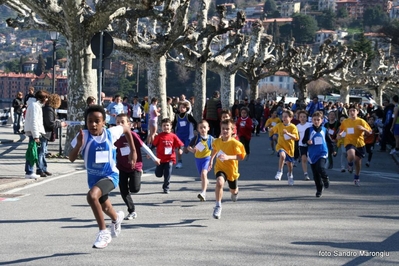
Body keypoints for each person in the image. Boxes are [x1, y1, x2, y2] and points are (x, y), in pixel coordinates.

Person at [68, 105, 137, 249]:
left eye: (97, 121)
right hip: (93, 179)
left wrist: (133, 150)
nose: (93, 124)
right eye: (90, 121)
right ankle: (117, 218)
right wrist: (79, 145)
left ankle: (103, 232)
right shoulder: (83, 136)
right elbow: (71, 158)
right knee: (105, 207)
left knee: (92, 196)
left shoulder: (111, 133)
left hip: (110, 176)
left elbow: (126, 128)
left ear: (104, 122)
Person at [114, 114, 160, 220]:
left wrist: (155, 158)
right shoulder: (115, 136)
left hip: (135, 166)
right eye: (117, 122)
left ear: (129, 125)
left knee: (134, 189)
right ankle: (132, 211)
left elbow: (144, 147)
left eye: (122, 122)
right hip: (121, 166)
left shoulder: (133, 135)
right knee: (123, 190)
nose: (120, 124)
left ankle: (139, 174)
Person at [208, 119, 246, 219]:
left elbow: (241, 157)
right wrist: (211, 159)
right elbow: (215, 149)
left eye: (227, 129)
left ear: (232, 130)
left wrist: (228, 157)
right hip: (220, 168)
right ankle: (218, 205)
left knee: (233, 190)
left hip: (232, 170)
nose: (225, 131)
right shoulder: (217, 141)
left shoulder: (235, 143)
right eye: (223, 129)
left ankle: (235, 192)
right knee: (219, 182)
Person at [337, 105, 372, 186]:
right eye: (350, 111)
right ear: (348, 112)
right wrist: (339, 135)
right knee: (351, 155)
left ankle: (356, 177)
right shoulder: (345, 122)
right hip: (349, 142)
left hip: (360, 143)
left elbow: (370, 132)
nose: (352, 112)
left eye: (354, 110)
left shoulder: (361, 121)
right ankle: (349, 164)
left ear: (357, 112)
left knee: (357, 162)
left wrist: (364, 129)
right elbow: (341, 130)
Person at [302, 111, 335, 197]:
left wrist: (333, 150)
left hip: (322, 153)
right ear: (312, 120)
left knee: (320, 167)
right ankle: (319, 189)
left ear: (322, 120)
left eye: (318, 120)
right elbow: (303, 141)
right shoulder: (308, 130)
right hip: (312, 154)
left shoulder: (324, 130)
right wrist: (307, 141)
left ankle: (325, 178)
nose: (316, 121)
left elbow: (329, 141)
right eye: (314, 119)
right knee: (315, 174)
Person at [152, 118, 184, 194]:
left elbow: (180, 144)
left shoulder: (173, 136)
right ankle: (160, 171)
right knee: (158, 174)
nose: (166, 127)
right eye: (164, 126)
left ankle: (166, 187)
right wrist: (149, 153)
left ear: (171, 126)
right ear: (161, 127)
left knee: (168, 173)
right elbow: (153, 145)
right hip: (160, 159)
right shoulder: (159, 136)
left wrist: (180, 149)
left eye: (167, 125)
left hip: (170, 159)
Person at [24, 90, 49, 179]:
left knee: (34, 151)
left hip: (37, 132)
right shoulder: (35, 106)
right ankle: (29, 171)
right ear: (42, 98)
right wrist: (35, 136)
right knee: (32, 152)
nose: (47, 100)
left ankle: (31, 171)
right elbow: (34, 121)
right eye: (46, 98)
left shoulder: (35, 105)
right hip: (36, 132)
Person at [187, 120, 214, 202]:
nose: (203, 129)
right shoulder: (196, 138)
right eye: (201, 128)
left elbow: (215, 149)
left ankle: (203, 193)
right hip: (198, 159)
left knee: (204, 173)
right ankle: (205, 181)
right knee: (202, 176)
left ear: (208, 128)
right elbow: (188, 147)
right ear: (198, 129)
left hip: (207, 158)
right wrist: (193, 151)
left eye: (204, 127)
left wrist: (212, 159)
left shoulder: (211, 139)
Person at [270, 110, 299, 185]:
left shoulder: (293, 127)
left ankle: (290, 175)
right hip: (280, 146)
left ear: (291, 118)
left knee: (289, 164)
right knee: (282, 155)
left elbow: (296, 137)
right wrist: (271, 130)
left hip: (289, 148)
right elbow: (273, 129)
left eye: (286, 117)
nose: (284, 118)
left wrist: (288, 133)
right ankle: (279, 171)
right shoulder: (279, 125)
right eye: (283, 117)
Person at [41, 94, 67, 176]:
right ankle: (40, 169)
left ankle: (43, 168)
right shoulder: (49, 109)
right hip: (44, 133)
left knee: (43, 152)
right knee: (41, 152)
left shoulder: (48, 108)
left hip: (45, 132)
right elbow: (50, 123)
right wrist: (60, 124)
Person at [173, 101, 197, 169]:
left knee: (186, 151)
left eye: (183, 107)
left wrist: (195, 130)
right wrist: (173, 131)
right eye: (180, 107)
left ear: (186, 109)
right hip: (179, 136)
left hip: (187, 136)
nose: (181, 109)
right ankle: (179, 162)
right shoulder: (177, 116)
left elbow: (195, 122)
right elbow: (174, 124)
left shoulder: (188, 116)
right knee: (179, 150)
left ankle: (186, 147)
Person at [296, 110, 313, 180]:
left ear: (307, 118)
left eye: (304, 117)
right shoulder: (297, 126)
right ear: (298, 118)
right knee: (304, 159)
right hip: (301, 144)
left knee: (312, 159)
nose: (302, 118)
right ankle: (306, 174)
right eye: (301, 117)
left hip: (310, 144)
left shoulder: (310, 125)